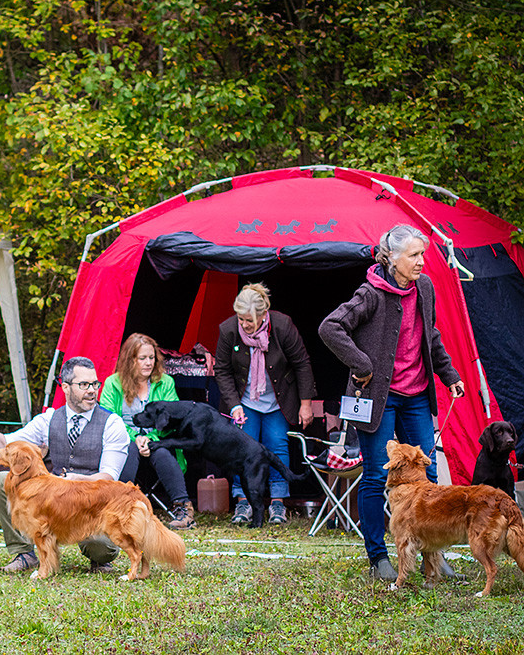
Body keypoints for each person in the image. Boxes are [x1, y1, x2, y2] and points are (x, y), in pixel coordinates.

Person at [319, 224, 465, 581]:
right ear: (392, 258)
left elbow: (430, 334)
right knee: (372, 478)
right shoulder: (370, 293)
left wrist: (448, 375)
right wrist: (362, 363)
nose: (421, 262)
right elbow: (330, 327)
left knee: (427, 476)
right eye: (415, 255)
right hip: (378, 400)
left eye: (422, 254)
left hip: (416, 396)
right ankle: (378, 558)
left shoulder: (425, 288)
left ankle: (433, 558)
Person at [0, 356, 131, 574]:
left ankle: (99, 561)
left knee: (101, 549)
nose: (92, 390)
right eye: (84, 384)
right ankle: (25, 553)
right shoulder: (48, 419)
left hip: (92, 507)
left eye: (95, 384)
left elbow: (109, 478)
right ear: (66, 387)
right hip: (56, 504)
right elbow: (5, 443)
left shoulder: (112, 424)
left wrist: (78, 480)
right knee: (1, 481)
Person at [215, 283, 316, 525]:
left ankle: (278, 504)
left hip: (277, 401)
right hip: (245, 401)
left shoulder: (282, 326)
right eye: (241, 319)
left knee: (277, 445)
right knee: (242, 450)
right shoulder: (228, 330)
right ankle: (242, 501)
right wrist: (233, 405)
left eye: (249, 320)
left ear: (263, 315)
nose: (245, 325)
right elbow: (222, 370)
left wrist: (306, 403)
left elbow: (302, 363)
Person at [99, 333, 195, 530]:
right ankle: (120, 508)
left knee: (160, 451)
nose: (148, 363)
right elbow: (109, 420)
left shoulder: (165, 382)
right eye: (142, 358)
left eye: (151, 358)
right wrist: (136, 439)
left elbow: (173, 419)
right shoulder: (112, 383)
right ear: (129, 360)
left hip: (157, 438)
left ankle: (183, 508)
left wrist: (149, 439)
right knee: (129, 450)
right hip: (123, 440)